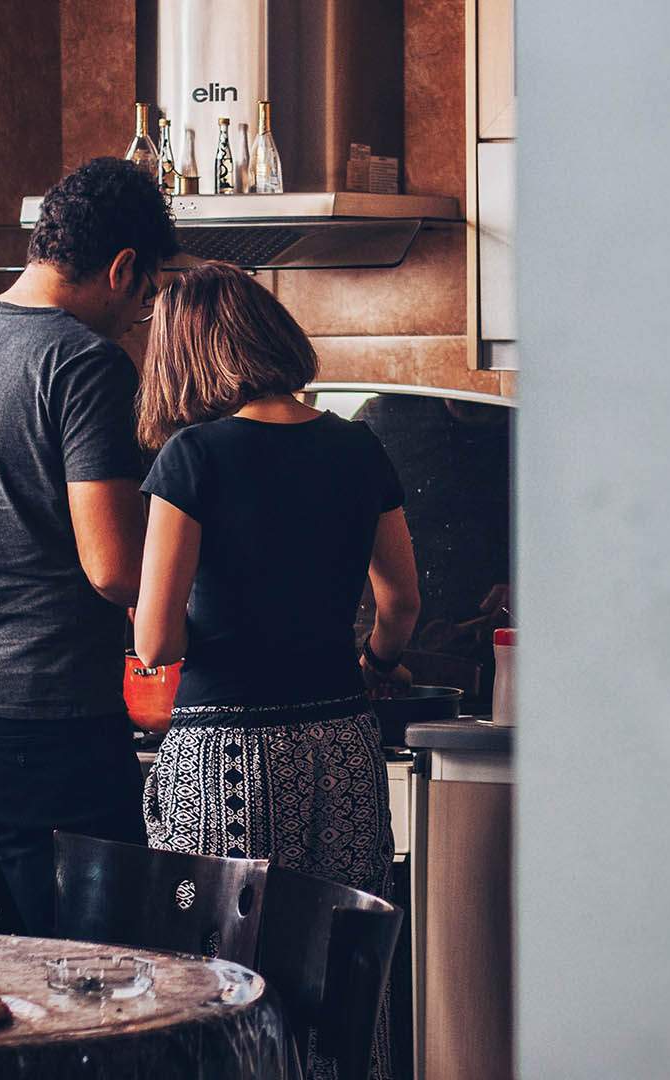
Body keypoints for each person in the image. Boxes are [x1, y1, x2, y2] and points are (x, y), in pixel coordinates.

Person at [0, 158, 177, 935]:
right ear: (123, 269)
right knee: (98, 989)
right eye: (146, 298)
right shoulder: (84, 364)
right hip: (40, 727)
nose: (137, 319)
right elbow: (115, 569)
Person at [132, 261, 419, 901]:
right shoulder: (358, 446)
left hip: (227, 755)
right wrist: (376, 664)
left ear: (184, 357)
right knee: (340, 956)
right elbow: (400, 603)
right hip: (342, 741)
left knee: (223, 970)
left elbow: (156, 645)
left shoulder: (193, 456)